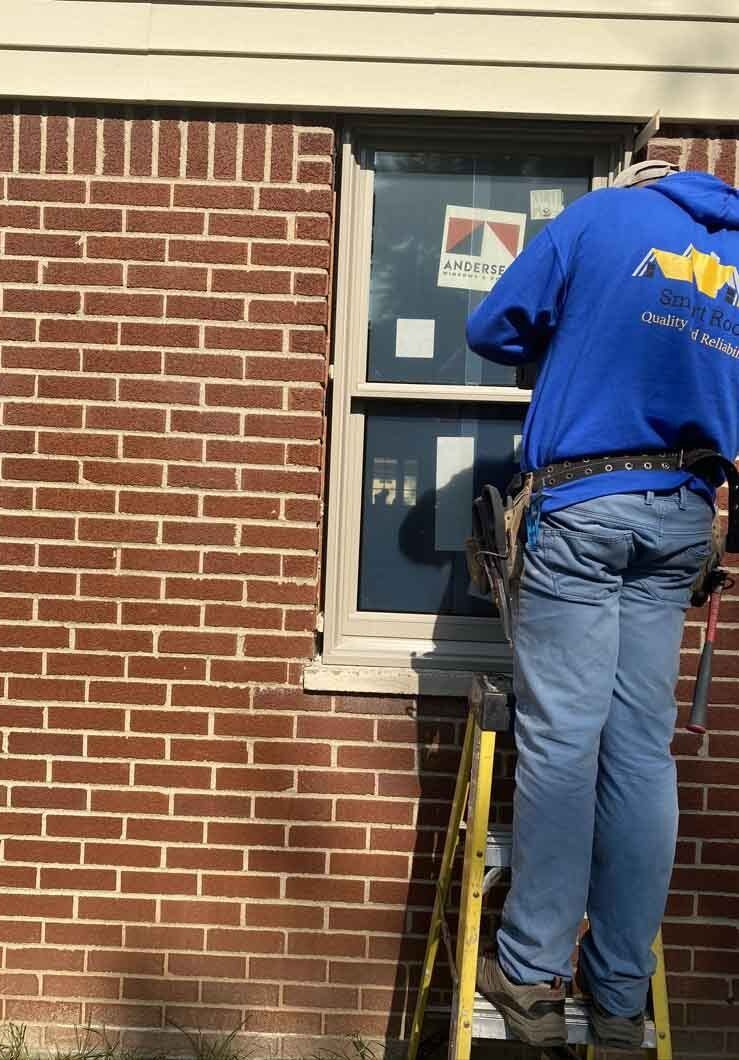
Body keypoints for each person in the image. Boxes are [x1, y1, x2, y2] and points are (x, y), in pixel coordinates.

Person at [464, 160, 739, 1050]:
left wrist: (577, 334)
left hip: (585, 505)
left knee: (562, 744)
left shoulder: (601, 218)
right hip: (684, 518)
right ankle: (618, 997)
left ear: (639, 179)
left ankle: (533, 971)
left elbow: (490, 326)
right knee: (640, 754)